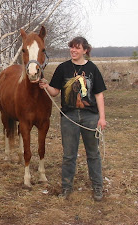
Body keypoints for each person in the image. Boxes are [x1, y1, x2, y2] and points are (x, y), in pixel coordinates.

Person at [39, 37, 106, 201]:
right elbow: (55, 92)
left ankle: (98, 187)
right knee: (69, 155)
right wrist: (46, 85)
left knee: (93, 154)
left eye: (77, 48)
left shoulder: (92, 69)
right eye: (71, 48)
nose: (73, 51)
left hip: (90, 116)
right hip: (69, 117)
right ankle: (66, 188)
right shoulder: (63, 68)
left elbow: (98, 94)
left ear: (85, 50)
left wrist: (102, 118)